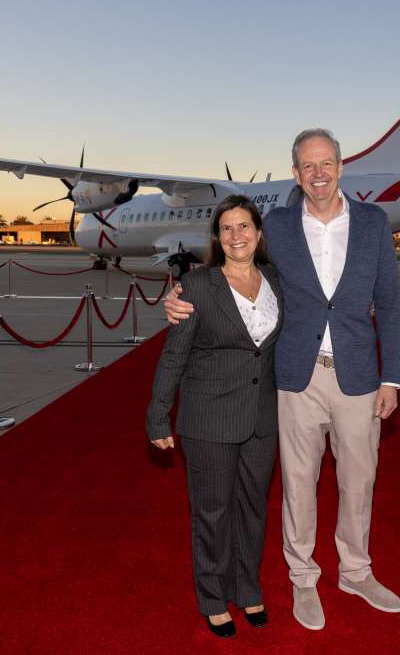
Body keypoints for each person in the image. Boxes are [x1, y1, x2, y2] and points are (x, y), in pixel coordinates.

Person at [165, 129, 400, 631]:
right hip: (296, 375)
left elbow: (387, 301)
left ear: (341, 167)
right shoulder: (277, 224)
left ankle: (356, 572)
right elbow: (238, 263)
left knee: (359, 482)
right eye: (307, 166)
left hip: (359, 375)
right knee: (298, 484)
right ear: (295, 173)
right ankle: (303, 577)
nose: (318, 173)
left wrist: (392, 377)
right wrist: (183, 295)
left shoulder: (373, 222)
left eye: (326, 163)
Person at [146, 195, 282, 639]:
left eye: (244, 226)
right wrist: (157, 417)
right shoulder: (198, 285)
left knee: (253, 510)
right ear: (217, 237)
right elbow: (174, 356)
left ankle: (246, 587)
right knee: (212, 512)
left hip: (261, 419)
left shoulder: (275, 279)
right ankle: (211, 596)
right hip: (209, 418)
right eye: (227, 228)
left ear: (258, 234)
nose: (236, 235)